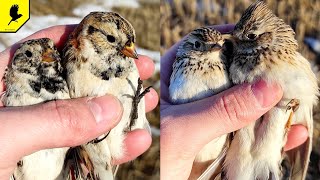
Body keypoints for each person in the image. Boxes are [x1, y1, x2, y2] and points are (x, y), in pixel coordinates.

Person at [0, 25, 159, 179]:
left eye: (52, 49)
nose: (48, 54)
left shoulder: (63, 84)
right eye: (29, 54)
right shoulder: (10, 90)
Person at [160, 25, 309, 179]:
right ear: (188, 46)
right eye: (198, 46)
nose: (214, 49)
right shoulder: (179, 66)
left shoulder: (223, 66)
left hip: (215, 153)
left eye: (219, 45)